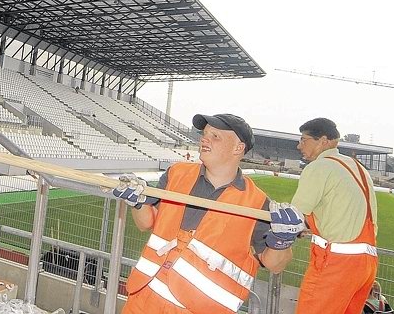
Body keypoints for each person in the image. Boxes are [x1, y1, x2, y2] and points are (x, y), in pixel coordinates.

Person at [113, 113, 305, 314]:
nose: (204, 139)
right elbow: (146, 223)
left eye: (215, 136)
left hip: (199, 308)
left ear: (238, 148)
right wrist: (137, 202)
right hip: (144, 299)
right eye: (204, 134)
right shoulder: (176, 173)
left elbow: (275, 265)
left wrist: (283, 240)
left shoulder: (256, 203)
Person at [289, 118, 379, 313]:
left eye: (304, 140)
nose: (299, 146)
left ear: (323, 140)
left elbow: (293, 217)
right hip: (366, 265)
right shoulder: (358, 168)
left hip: (336, 263)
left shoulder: (320, 167)